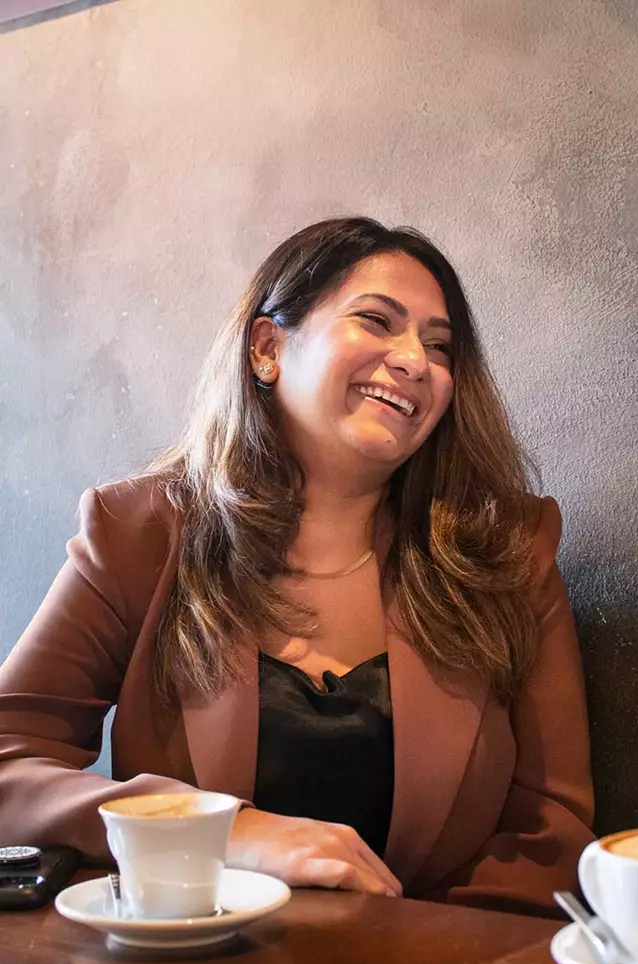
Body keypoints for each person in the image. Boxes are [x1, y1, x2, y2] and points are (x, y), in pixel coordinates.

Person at [0, 217, 593, 913]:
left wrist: (414, 961)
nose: (414, 361)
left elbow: (550, 833)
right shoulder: (139, 535)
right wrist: (220, 833)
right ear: (266, 348)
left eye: (439, 347)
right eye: (377, 320)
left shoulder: (507, 551)